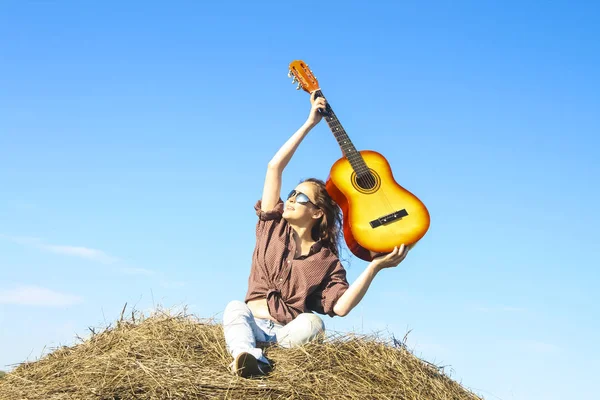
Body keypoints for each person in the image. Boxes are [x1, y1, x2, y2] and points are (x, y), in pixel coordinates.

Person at [223, 91, 409, 378]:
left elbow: (342, 306)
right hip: (253, 322)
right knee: (234, 308)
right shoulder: (271, 226)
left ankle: (271, 363)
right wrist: (310, 123)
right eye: (292, 194)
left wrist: (375, 267)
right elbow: (274, 167)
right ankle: (246, 356)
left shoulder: (326, 260)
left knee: (314, 323)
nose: (292, 199)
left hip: (288, 334)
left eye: (301, 198)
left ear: (318, 213)